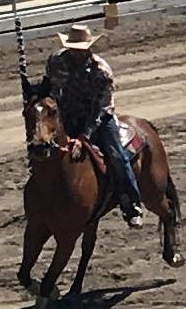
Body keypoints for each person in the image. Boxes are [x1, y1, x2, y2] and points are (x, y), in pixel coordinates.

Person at [37, 24, 142, 226]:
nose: (76, 52)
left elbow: (99, 109)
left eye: (80, 48)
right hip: (67, 115)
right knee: (42, 145)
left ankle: (131, 203)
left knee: (117, 155)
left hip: (99, 119)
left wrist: (83, 136)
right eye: (73, 48)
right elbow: (48, 86)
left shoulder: (101, 71)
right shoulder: (56, 61)